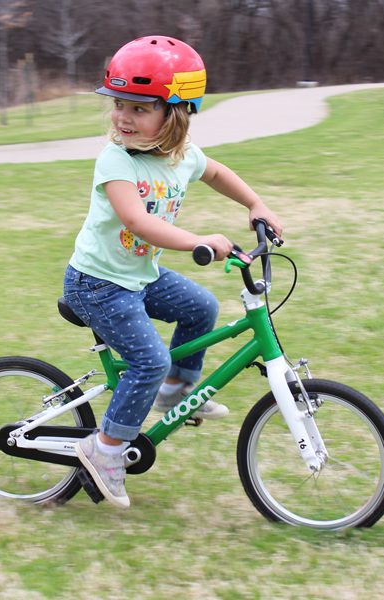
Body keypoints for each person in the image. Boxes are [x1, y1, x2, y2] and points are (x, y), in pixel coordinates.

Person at [62, 35, 283, 508]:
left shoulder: (180, 156)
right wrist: (200, 241)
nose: (123, 117)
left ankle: (179, 392)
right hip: (98, 284)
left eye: (139, 109)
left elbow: (218, 173)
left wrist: (255, 203)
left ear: (175, 114)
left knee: (201, 306)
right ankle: (103, 451)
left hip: (138, 276)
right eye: (119, 105)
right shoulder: (115, 159)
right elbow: (137, 221)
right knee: (148, 361)